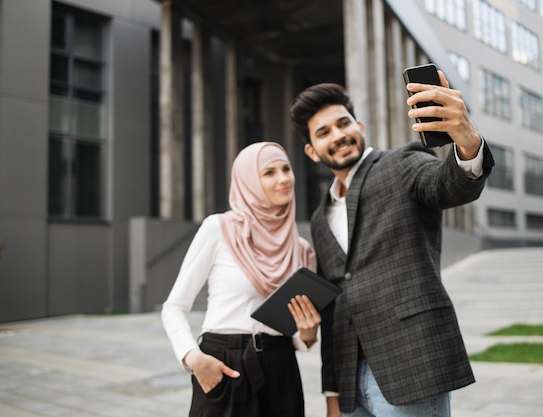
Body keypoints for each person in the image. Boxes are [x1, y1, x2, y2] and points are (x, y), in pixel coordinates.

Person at [289, 73, 495, 417]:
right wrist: (332, 392)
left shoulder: (401, 164)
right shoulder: (320, 218)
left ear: (360, 126)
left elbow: (447, 185)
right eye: (323, 132)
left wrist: (468, 141)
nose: (338, 136)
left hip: (412, 369)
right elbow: (332, 309)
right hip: (350, 385)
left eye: (343, 124)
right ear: (312, 151)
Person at [161, 141, 321, 417]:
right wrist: (193, 357)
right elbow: (174, 306)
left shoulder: (301, 247)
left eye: (286, 169)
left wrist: (306, 337)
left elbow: (291, 327)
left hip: (280, 364)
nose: (283, 179)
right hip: (225, 363)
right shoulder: (219, 228)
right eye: (269, 172)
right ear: (248, 181)